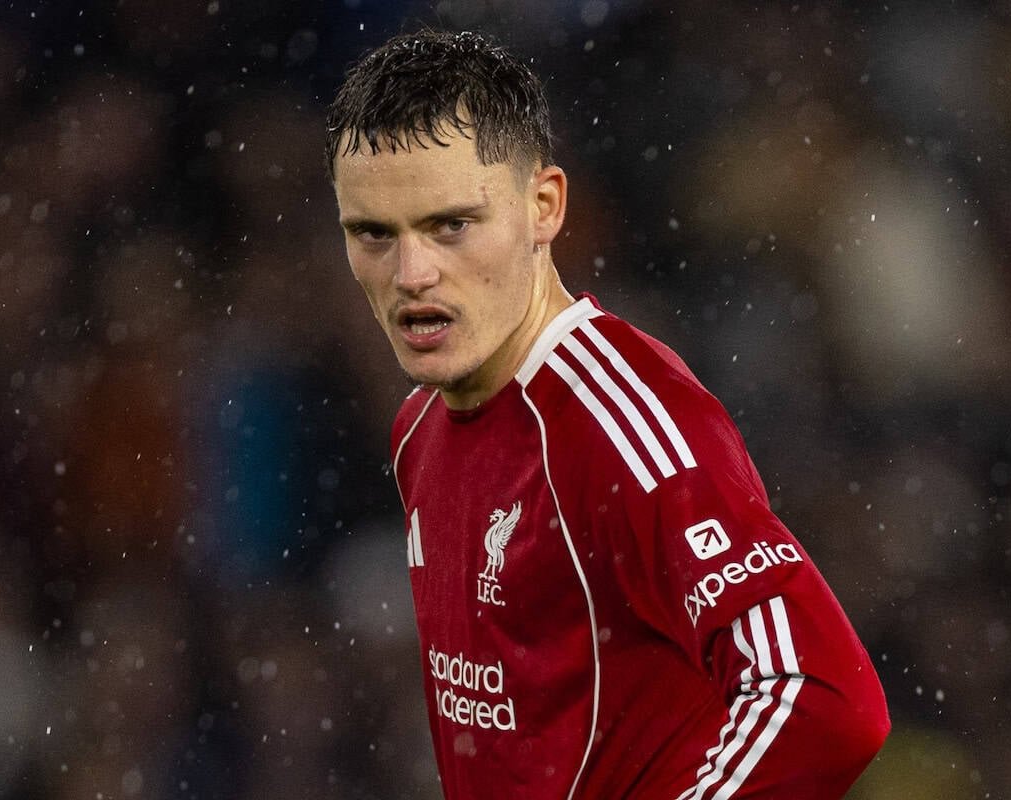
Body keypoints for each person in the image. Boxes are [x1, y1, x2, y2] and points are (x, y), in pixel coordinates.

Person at [325, 29, 890, 800]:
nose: (412, 273)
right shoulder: (419, 427)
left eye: (451, 224)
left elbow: (821, 700)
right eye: (373, 233)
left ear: (544, 207)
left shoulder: (621, 420)